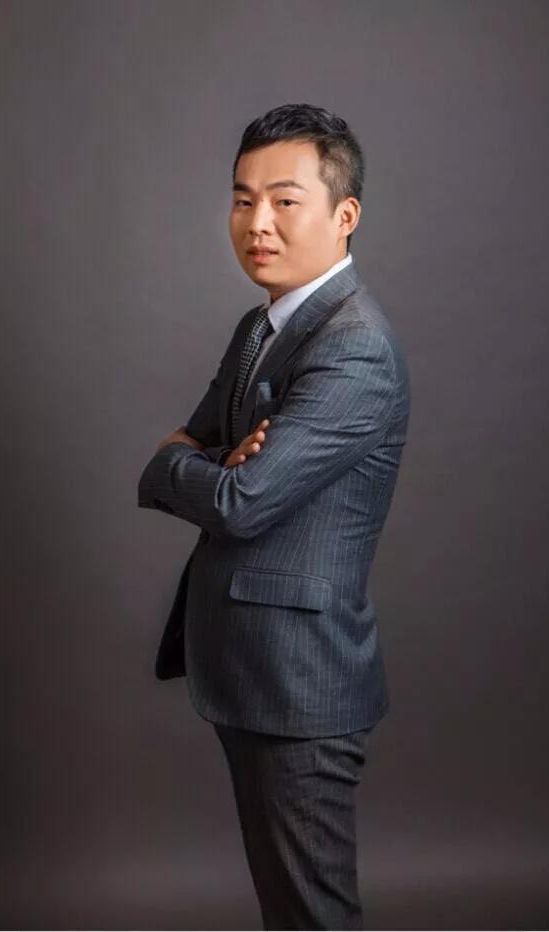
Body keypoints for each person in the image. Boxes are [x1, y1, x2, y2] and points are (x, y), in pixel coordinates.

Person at [138, 102, 410, 930]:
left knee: (309, 915)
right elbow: (185, 449)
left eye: (284, 201)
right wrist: (204, 459)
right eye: (241, 198)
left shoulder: (353, 345)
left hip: (299, 682)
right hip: (250, 667)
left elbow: (238, 499)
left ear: (344, 214)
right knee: (288, 911)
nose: (256, 222)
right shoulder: (263, 325)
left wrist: (190, 466)